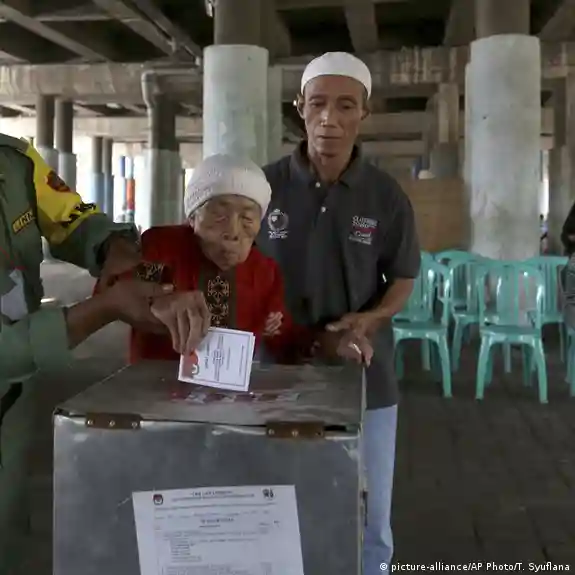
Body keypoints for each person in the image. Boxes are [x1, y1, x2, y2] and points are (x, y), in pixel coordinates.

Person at [0, 133, 206, 572]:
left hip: (14, 403)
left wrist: (116, 252)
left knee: (9, 520)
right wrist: (104, 308)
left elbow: (73, 220)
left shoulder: (15, 162)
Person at [257, 52, 421, 572]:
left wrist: (370, 319)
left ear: (364, 113)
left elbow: (403, 276)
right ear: (300, 107)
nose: (330, 118)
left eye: (346, 105)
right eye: (318, 104)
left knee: (369, 515)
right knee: (279, 501)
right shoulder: (262, 187)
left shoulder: (385, 195)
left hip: (364, 371)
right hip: (276, 372)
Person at [116, 153, 363, 365]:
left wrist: (328, 343)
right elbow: (113, 292)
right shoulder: (160, 246)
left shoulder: (264, 272)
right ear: (192, 217)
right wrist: (155, 302)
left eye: (247, 219)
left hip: (226, 399)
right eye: (219, 216)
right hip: (154, 393)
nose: (233, 232)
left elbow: (286, 340)